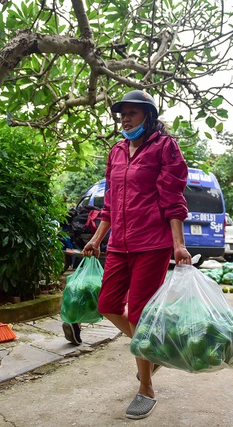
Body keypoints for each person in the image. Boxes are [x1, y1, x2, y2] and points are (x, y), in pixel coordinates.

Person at [76, 89, 191, 419]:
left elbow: (173, 200)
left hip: (151, 244)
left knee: (139, 313)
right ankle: (152, 352)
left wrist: (178, 244)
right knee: (107, 304)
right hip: (119, 244)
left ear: (149, 116)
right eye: (122, 114)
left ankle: (146, 388)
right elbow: (110, 203)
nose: (125, 119)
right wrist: (98, 238)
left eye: (132, 113)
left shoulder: (165, 148)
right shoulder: (116, 151)